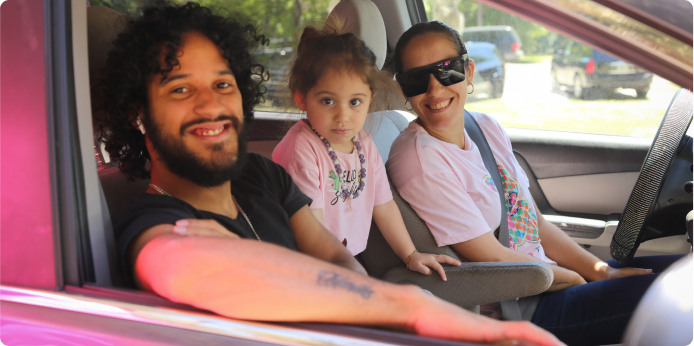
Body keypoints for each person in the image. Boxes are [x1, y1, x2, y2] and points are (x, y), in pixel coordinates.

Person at [94, 3, 563, 346]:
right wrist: (413, 309)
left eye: (223, 83)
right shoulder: (147, 216)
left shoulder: (260, 177)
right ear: (139, 113)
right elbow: (184, 265)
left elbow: (336, 259)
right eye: (180, 88)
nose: (211, 103)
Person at [385, 21, 684, 346]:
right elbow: (493, 258)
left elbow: (533, 223)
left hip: (546, 279)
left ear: (468, 71)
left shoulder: (484, 127)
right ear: (403, 89)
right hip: (517, 307)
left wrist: (601, 272)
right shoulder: (419, 158)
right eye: (417, 79)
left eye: (447, 70)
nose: (435, 89)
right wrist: (576, 280)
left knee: (683, 275)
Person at [272, 24, 460, 280]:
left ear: (370, 99)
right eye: (327, 101)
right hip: (308, 265)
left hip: (344, 260)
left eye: (355, 102)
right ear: (302, 98)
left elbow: (383, 204)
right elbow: (312, 232)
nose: (343, 116)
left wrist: (410, 254)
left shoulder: (363, 142)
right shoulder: (302, 150)